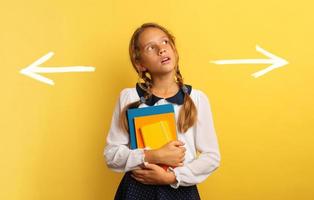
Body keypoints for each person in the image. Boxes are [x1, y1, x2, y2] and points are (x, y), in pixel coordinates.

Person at [104, 22, 221, 200]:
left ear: (174, 49)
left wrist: (172, 177)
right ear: (140, 64)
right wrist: (152, 155)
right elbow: (111, 156)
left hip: (181, 190)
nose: (161, 49)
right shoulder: (129, 97)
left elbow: (212, 157)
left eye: (165, 42)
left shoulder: (197, 99)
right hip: (136, 190)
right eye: (151, 47)